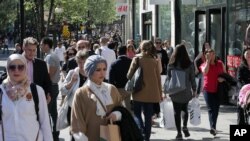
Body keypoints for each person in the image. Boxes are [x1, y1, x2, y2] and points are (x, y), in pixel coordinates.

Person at [0, 54, 53, 141]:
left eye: (20, 67)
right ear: (7, 69)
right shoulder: (1, 91)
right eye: (12, 67)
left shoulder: (37, 90)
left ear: (26, 69)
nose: (16, 70)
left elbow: (45, 122)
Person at [70, 55, 123, 141]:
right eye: (98, 70)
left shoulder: (111, 89)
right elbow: (77, 121)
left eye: (104, 69)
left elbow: (122, 109)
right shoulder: (81, 93)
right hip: (91, 136)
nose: (102, 73)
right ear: (90, 71)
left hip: (111, 136)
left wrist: (116, 114)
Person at [127, 40, 162, 141]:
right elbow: (158, 78)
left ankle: (141, 130)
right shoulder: (154, 60)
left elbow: (129, 75)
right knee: (148, 117)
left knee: (137, 114)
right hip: (152, 93)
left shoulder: (137, 59)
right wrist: (160, 93)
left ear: (141, 48)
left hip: (138, 91)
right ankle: (147, 137)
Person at [166, 44, 197, 140]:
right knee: (185, 108)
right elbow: (192, 78)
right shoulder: (189, 64)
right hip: (186, 90)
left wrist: (165, 90)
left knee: (176, 111)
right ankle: (184, 126)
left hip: (175, 90)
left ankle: (179, 133)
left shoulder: (171, 64)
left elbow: (168, 78)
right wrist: (194, 89)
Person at [200, 48, 226, 136]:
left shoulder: (220, 63)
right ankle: (213, 127)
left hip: (218, 89)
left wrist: (222, 79)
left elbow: (225, 75)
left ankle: (213, 126)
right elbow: (205, 72)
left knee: (216, 109)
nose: (211, 55)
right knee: (211, 109)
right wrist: (207, 61)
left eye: (213, 54)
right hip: (207, 89)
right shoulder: (204, 64)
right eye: (209, 54)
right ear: (206, 55)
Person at [60, 50, 88, 127]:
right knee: (74, 134)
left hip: (87, 110)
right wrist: (72, 82)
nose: (82, 65)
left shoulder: (92, 74)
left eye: (84, 62)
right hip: (73, 108)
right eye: (79, 62)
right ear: (76, 61)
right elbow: (63, 90)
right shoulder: (72, 73)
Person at [40, 37, 61, 141]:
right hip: (53, 86)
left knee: (47, 112)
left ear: (46, 45)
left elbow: (49, 74)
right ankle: (55, 132)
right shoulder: (50, 56)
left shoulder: (50, 57)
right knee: (53, 112)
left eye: (41, 44)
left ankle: (50, 134)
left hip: (51, 87)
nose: (40, 47)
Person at [22, 37, 52, 102]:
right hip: (20, 98)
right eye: (29, 50)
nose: (32, 53)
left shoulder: (42, 64)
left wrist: (48, 94)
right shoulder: (15, 62)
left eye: (34, 50)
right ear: (23, 48)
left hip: (37, 99)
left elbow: (47, 82)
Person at [109, 46, 132, 111]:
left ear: (117, 52)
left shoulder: (114, 64)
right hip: (129, 88)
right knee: (128, 108)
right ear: (126, 52)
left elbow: (111, 79)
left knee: (118, 108)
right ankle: (129, 120)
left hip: (118, 88)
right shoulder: (131, 61)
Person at [237, 48, 250, 125]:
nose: (249, 55)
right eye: (247, 53)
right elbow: (239, 80)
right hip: (244, 91)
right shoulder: (241, 67)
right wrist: (243, 87)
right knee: (241, 112)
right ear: (244, 55)